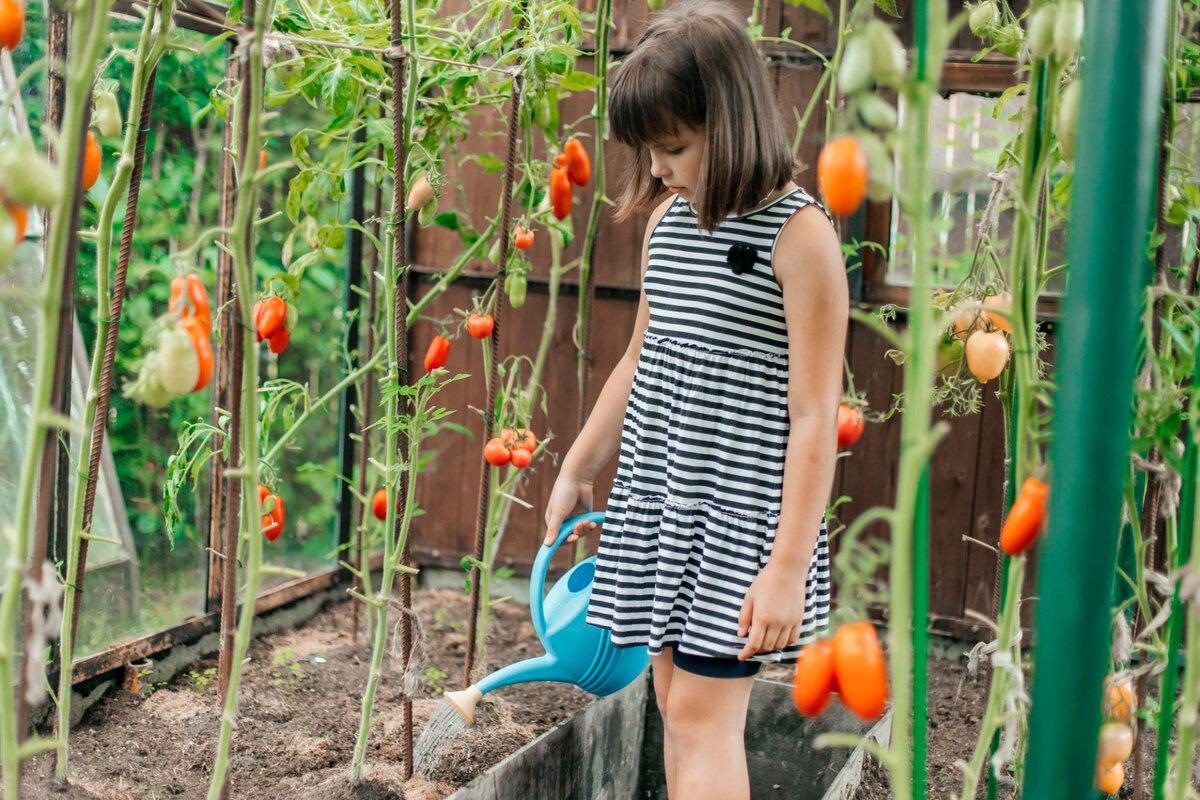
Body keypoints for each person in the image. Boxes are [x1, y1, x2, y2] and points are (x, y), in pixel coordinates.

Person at [542, 1, 847, 797]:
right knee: (676, 704)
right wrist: (580, 462)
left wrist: (785, 569)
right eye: (649, 152)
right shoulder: (670, 225)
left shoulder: (800, 237)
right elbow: (643, 356)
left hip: (739, 524)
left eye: (673, 147)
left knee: (702, 721)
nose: (660, 170)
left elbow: (816, 415)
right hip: (665, 506)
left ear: (734, 120)